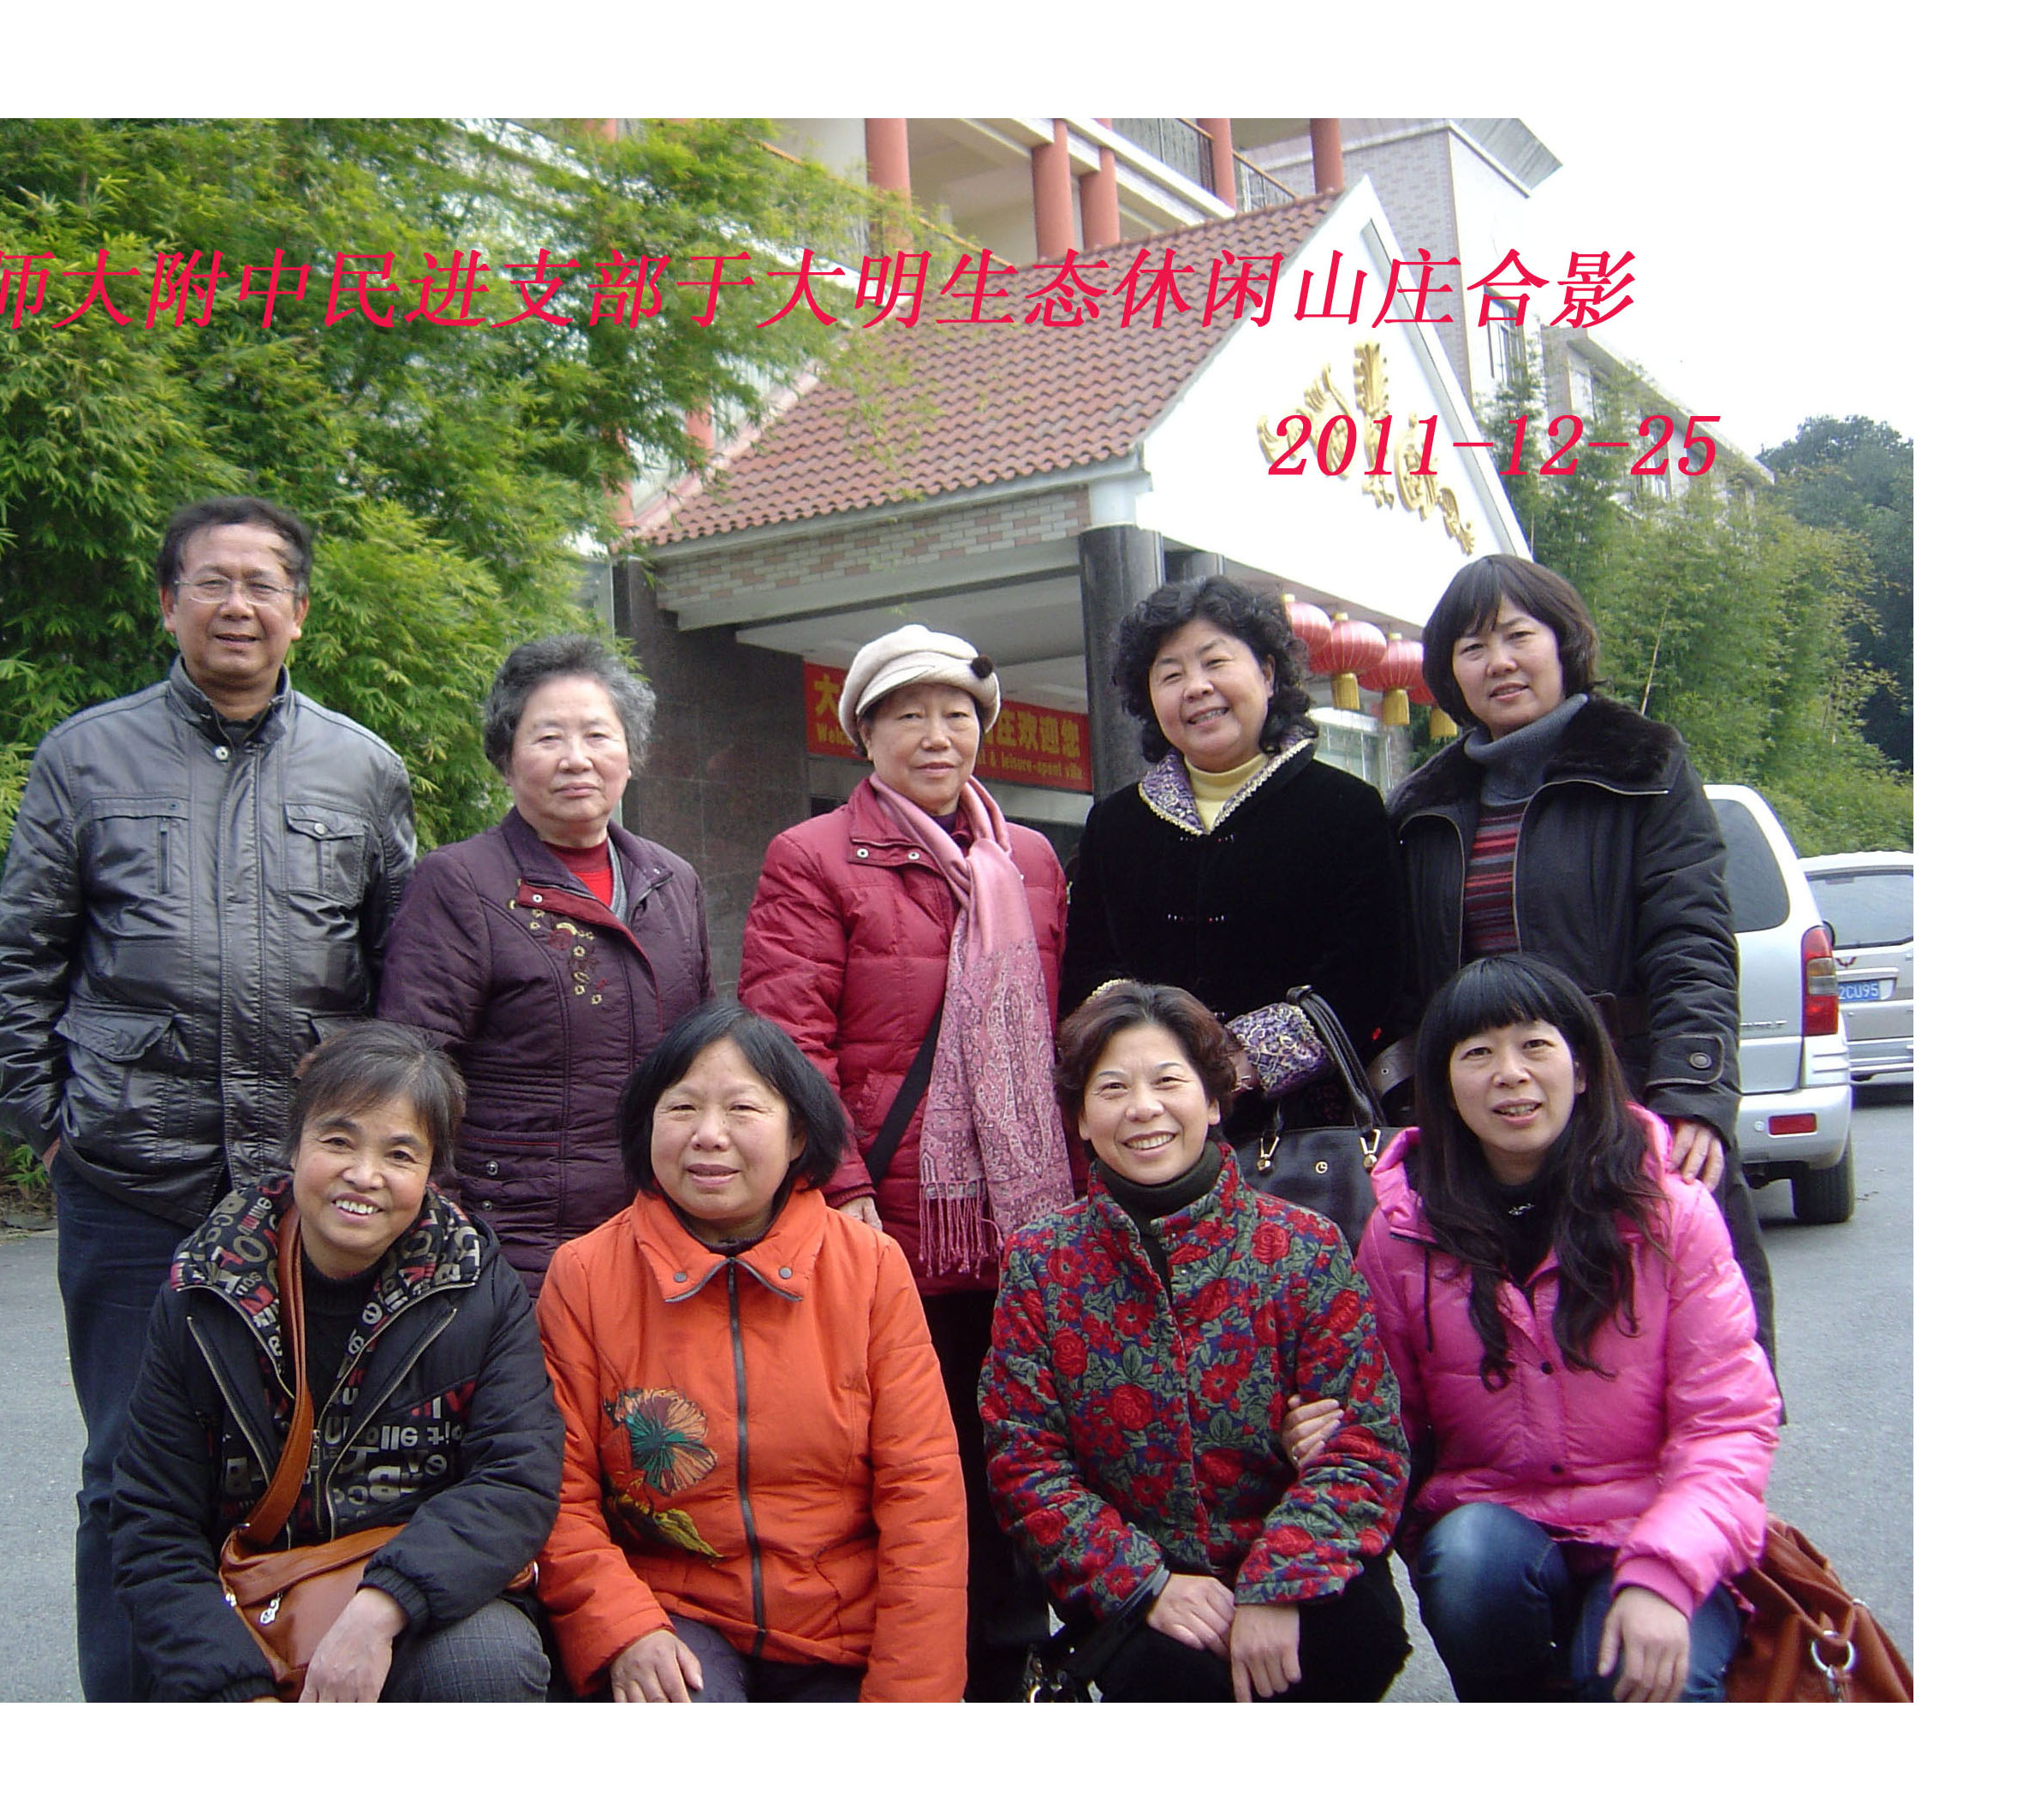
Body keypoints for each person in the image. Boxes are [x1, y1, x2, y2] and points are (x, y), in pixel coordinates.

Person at [0, 495, 415, 1700]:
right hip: (129, 1173)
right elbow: (24, 952)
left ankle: (260, 1694)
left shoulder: (361, 767)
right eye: (211, 582)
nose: (238, 604)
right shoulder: (86, 754)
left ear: (299, 611)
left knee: (295, 1455)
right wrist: (48, 1121)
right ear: (168, 602)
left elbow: (397, 971)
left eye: (262, 583)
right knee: (130, 1463)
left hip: (301, 1186)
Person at [1289, 954, 1779, 1701]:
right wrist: (1326, 1434)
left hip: (1656, 1527)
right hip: (1495, 1531)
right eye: (1477, 1054)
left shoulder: (1670, 1214)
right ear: (1443, 1087)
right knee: (1469, 1560)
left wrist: (1664, 1575)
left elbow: (1728, 1425)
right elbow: (1385, 1419)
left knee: (1638, 1686)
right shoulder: (1401, 1231)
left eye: (1534, 1045)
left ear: (1580, 1069)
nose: (1509, 1074)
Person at [737, 623, 1068, 1699]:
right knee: (908, 1453)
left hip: (1020, 1218)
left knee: (1015, 1439)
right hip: (886, 1213)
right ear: (866, 733)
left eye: (957, 712)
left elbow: (1053, 1035)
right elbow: (789, 1040)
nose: (938, 734)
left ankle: (1008, 1662)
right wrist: (841, 1184)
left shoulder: (1030, 860)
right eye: (909, 713)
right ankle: (912, 1672)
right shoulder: (814, 854)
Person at [980, 980, 1411, 1703]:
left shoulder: (1300, 1248)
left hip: (1298, 1571)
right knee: (1169, 1675)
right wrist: (1146, 1582)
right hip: (1146, 1591)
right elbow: (1024, 1463)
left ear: (1212, 1101)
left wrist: (1277, 1582)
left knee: (1349, 1640)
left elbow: (1366, 1443)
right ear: (1081, 1117)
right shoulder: (1042, 1265)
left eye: (1167, 1081)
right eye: (1112, 1088)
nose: (1142, 1108)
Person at [1389, 553, 1775, 1357]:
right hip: (1486, 1115)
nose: (1498, 662)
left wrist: (1693, 1089)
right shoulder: (1422, 804)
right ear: (1449, 673)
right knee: (1505, 1338)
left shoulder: (1641, 765)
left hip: (1626, 1090)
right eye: (1471, 647)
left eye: (1516, 636)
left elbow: (1691, 938)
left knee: (1673, 1329)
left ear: (1563, 642)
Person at [110, 1023, 561, 1702]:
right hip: (246, 1606)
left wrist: (382, 1607)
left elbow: (516, 1480)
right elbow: (153, 1519)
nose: (364, 1175)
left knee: (488, 1663)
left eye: (399, 1154)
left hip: (414, 1597)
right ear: (295, 1146)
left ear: (431, 1172)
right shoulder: (205, 1289)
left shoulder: (475, 1285)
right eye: (339, 1141)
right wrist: (236, 1687)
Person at [535, 1001, 967, 1702]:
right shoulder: (584, 1275)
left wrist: (909, 1699)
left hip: (845, 1628)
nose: (709, 1136)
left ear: (797, 1134)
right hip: (675, 1619)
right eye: (681, 1109)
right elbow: (558, 1491)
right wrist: (624, 1628)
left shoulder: (869, 1268)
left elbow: (924, 1496)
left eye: (742, 1109)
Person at [378, 633, 710, 1297]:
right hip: (511, 1242)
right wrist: (444, 1233)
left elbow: (702, 1054)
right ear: (505, 759)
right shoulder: (459, 882)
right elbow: (412, 1071)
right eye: (547, 737)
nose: (575, 759)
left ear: (630, 753)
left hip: (660, 1232)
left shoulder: (672, 881)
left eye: (597, 735)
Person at [1060, 574, 1407, 1102]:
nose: (1196, 687)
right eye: (1170, 674)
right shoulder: (1116, 823)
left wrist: (1235, 1068)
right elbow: (1087, 973)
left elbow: (1368, 976)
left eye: (1215, 662)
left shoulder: (1346, 808)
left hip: (1305, 1120)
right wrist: (1164, 1068)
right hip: (1151, 1110)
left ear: (1267, 673)